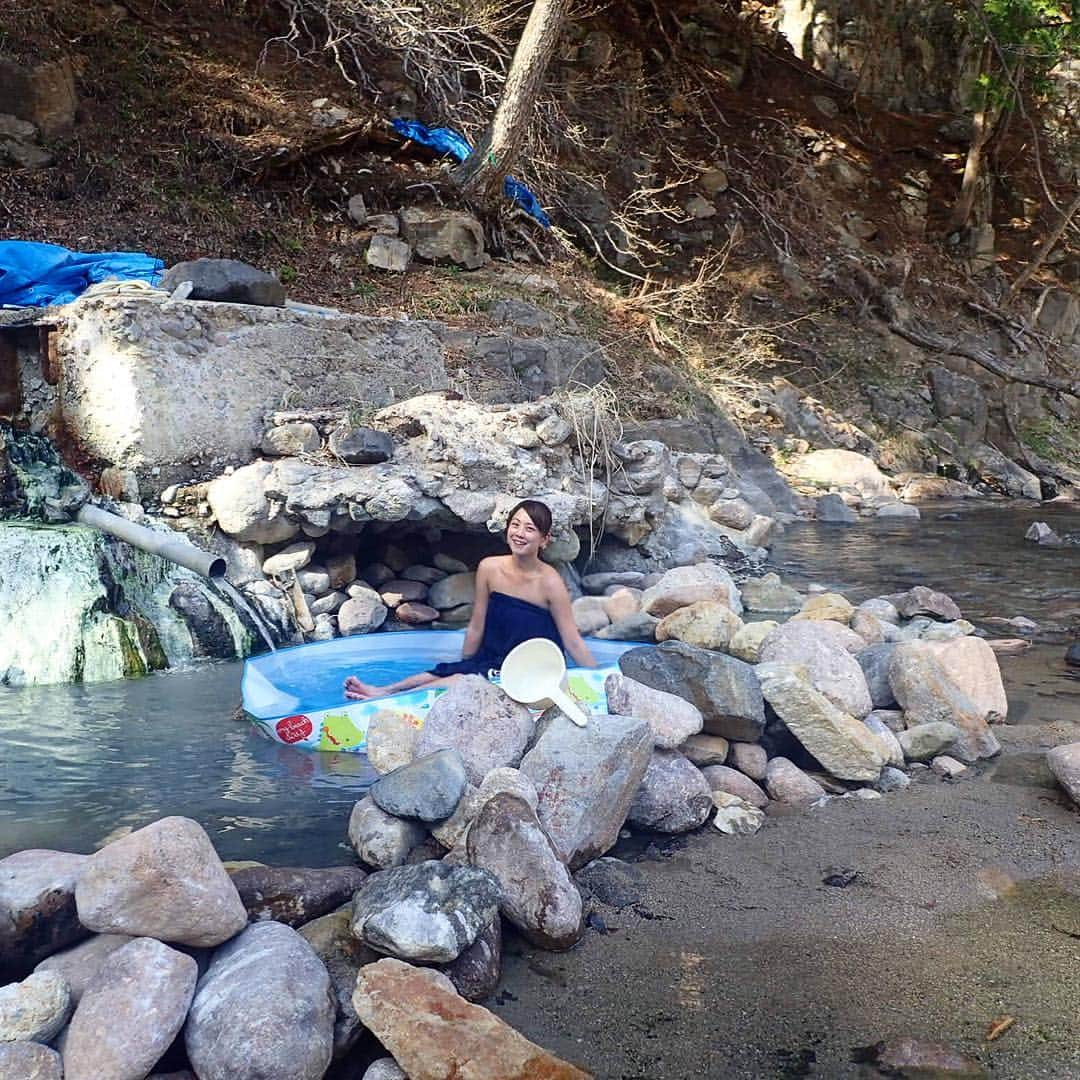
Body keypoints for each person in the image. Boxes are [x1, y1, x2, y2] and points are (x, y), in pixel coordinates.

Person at [343, 499, 597, 701]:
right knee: (443, 672)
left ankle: (387, 700)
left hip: (530, 667)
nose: (520, 533)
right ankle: (386, 690)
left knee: (457, 683)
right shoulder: (489, 568)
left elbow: (572, 640)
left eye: (530, 529)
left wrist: (597, 680)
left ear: (544, 539)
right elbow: (477, 624)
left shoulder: (550, 582)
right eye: (515, 525)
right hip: (494, 657)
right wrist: (466, 664)